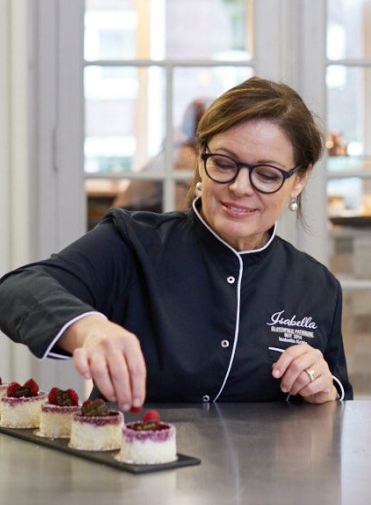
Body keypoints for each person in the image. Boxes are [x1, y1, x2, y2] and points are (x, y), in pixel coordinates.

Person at [0, 77, 353, 412]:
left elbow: (337, 409)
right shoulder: (133, 243)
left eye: (266, 174)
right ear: (201, 160)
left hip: (268, 476)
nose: (240, 187)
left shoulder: (317, 286)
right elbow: (16, 290)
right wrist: (89, 328)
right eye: (224, 163)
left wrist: (323, 391)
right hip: (138, 469)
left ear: (299, 180)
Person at [113, 98, 212, 212]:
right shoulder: (186, 157)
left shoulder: (183, 151)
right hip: (127, 219)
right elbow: (179, 212)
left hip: (138, 213)